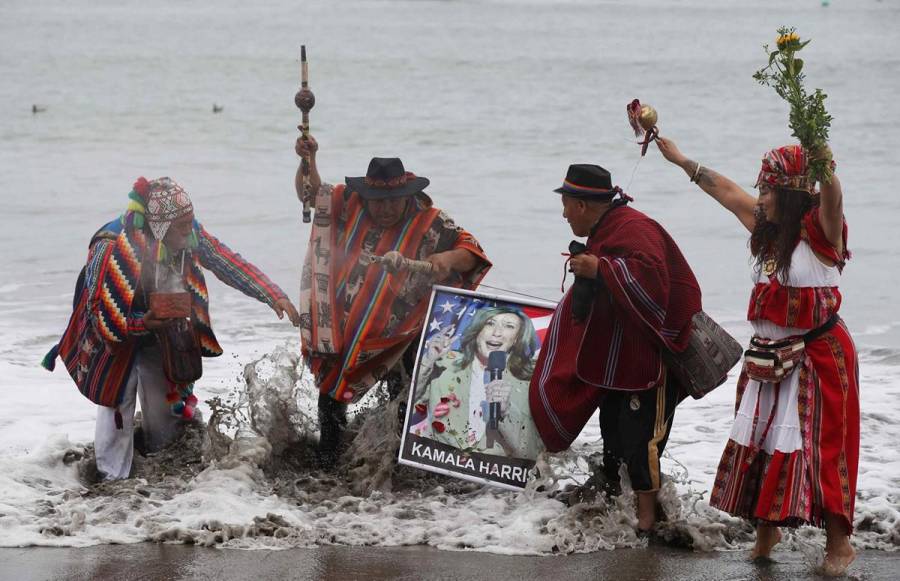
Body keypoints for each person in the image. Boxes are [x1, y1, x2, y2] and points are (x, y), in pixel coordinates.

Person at [655, 137, 858, 575]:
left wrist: (826, 167)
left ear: (788, 193)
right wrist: (680, 160)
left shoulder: (821, 232)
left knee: (823, 451)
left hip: (816, 358)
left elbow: (834, 199)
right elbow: (724, 192)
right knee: (764, 444)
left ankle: (839, 544)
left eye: (767, 190)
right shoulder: (765, 230)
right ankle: (768, 532)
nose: (759, 197)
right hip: (768, 359)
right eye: (760, 190)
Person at [42, 177, 300, 480]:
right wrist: (141, 322)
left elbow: (225, 260)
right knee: (117, 403)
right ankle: (111, 483)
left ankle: (161, 477)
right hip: (113, 333)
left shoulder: (188, 233)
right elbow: (98, 313)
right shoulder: (109, 246)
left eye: (191, 223)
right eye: (182, 227)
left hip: (159, 329)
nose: (190, 232)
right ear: (160, 227)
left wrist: (272, 294)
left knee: (167, 411)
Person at [295, 136, 491, 468]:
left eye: (392, 201)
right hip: (349, 324)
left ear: (407, 195)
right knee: (332, 389)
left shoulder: (432, 221)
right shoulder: (350, 201)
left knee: (404, 394)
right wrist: (308, 159)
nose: (385, 209)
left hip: (402, 330)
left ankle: (400, 461)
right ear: (366, 196)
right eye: (378, 201)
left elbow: (472, 251)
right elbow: (311, 194)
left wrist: (447, 259)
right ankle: (329, 458)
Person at [529, 164, 702, 533]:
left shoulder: (634, 228)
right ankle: (617, 509)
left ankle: (646, 522)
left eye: (566, 204)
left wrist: (601, 268)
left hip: (654, 357)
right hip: (623, 357)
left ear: (583, 205)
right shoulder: (606, 228)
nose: (563, 213)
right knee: (614, 434)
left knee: (644, 440)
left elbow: (655, 285)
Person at [410, 306, 543, 458]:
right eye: (490, 323)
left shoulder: (528, 383)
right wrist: (428, 361)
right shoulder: (445, 364)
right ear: (478, 330)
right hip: (435, 466)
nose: (497, 333)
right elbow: (409, 405)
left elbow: (529, 453)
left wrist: (506, 412)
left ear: (517, 338)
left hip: (490, 475)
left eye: (509, 326)